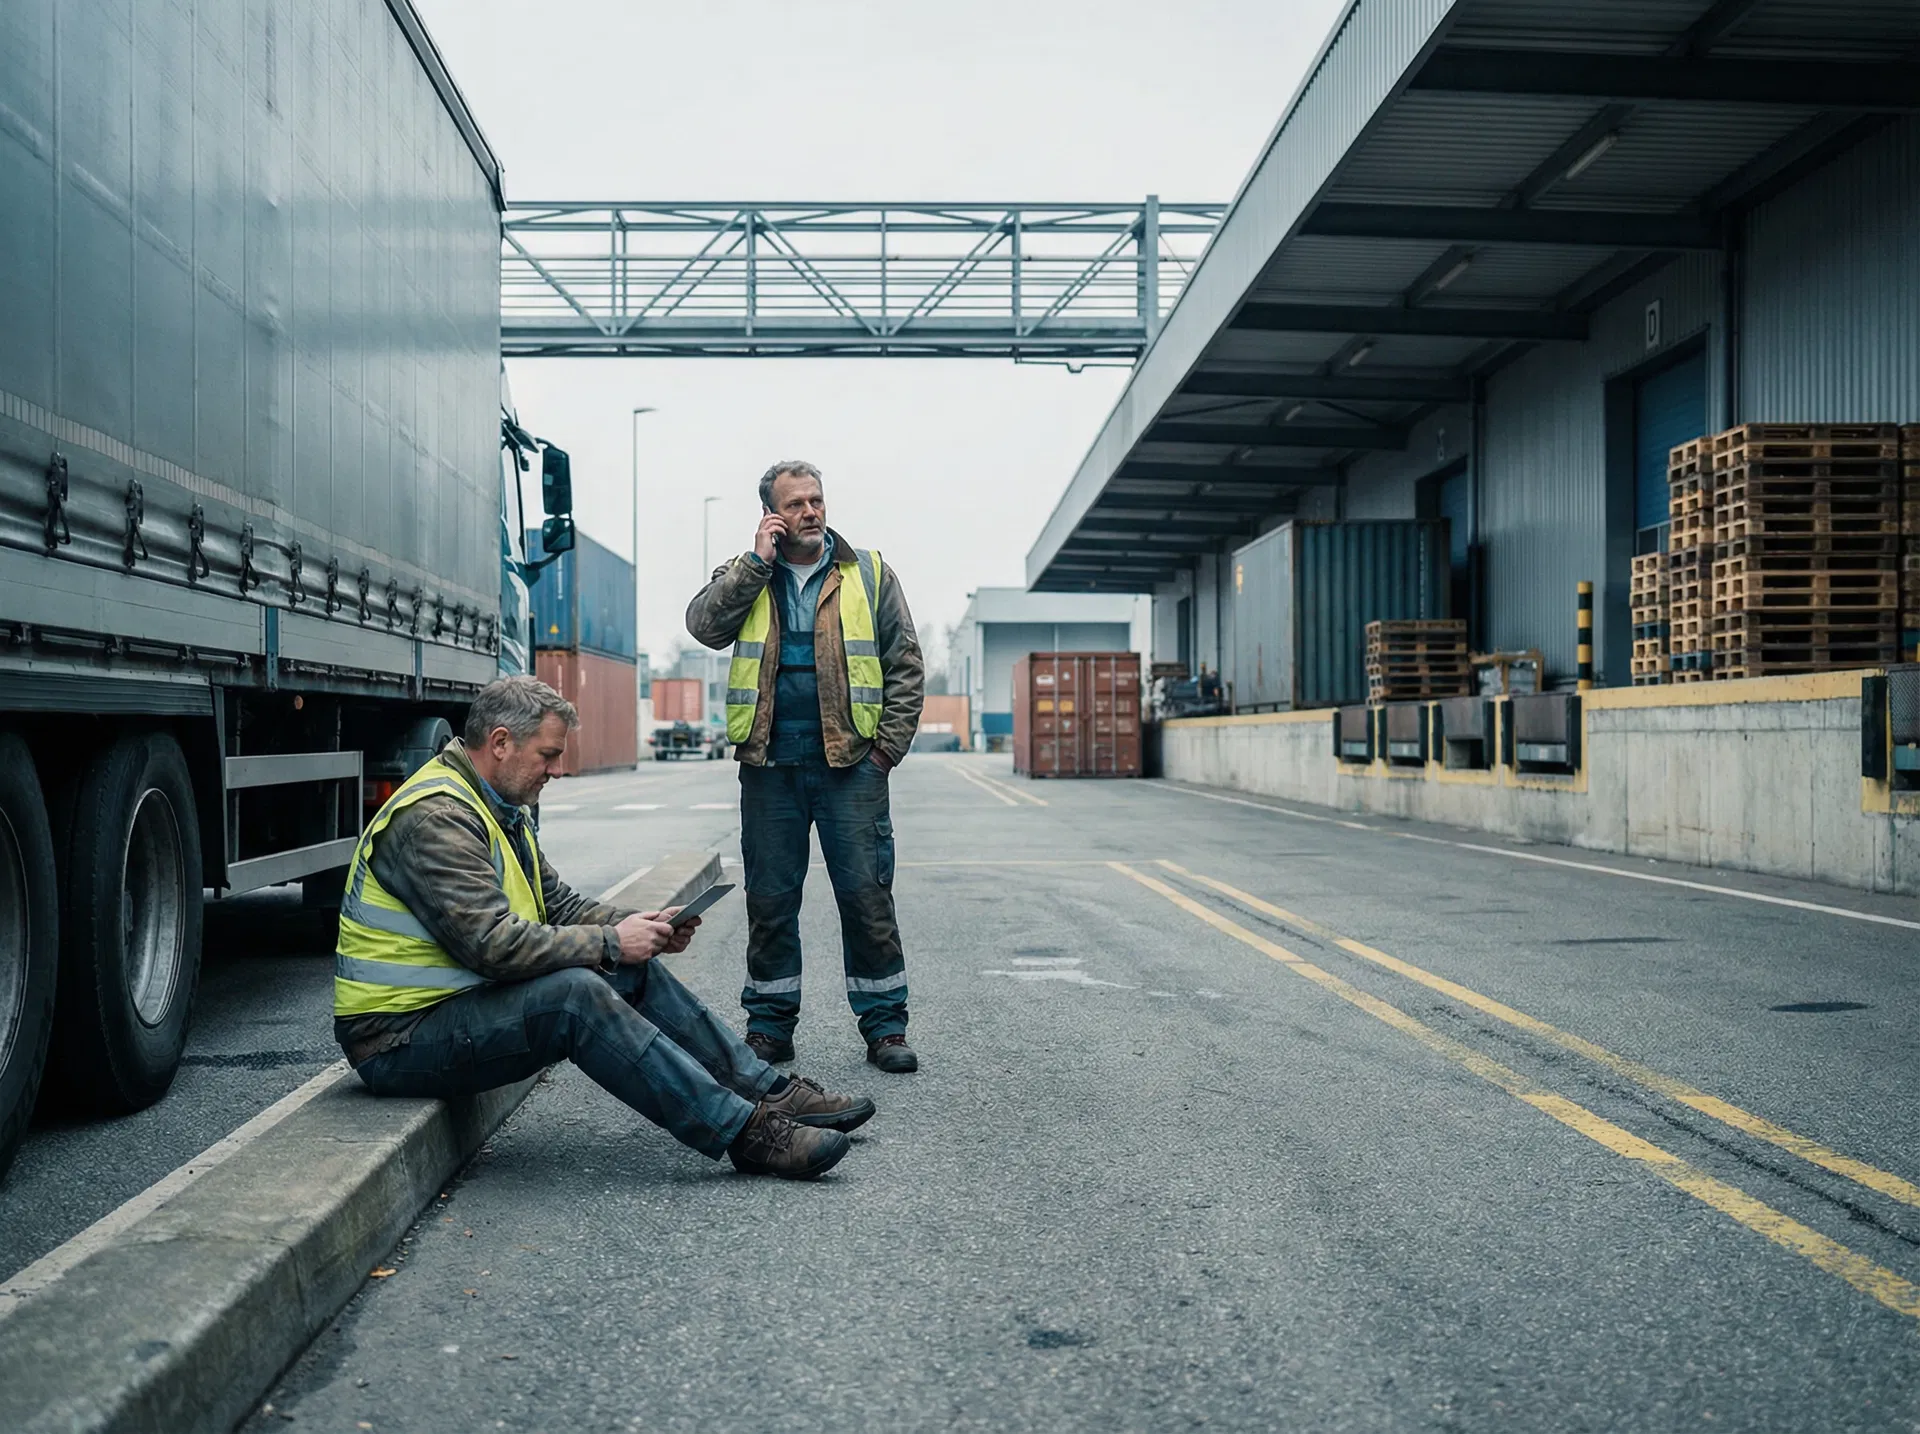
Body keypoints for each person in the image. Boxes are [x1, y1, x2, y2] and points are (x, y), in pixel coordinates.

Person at [332, 675, 873, 1180]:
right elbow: (491, 946)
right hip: (398, 1041)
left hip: (450, 1013)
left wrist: (637, 929)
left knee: (627, 972)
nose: (556, 770)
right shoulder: (438, 819)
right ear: (500, 743)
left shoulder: (495, 805)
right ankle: (747, 1133)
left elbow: (558, 904)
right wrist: (613, 942)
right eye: (548, 755)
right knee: (575, 996)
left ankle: (768, 1091)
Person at [686, 460, 925, 1074]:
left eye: (816, 500)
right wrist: (756, 562)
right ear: (771, 514)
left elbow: (905, 665)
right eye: (795, 504)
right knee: (770, 900)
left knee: (866, 897)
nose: (811, 512)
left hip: (850, 768)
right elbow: (704, 626)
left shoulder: (867, 574)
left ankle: (885, 1027)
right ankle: (769, 1029)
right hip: (770, 768)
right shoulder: (747, 575)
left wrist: (884, 754)